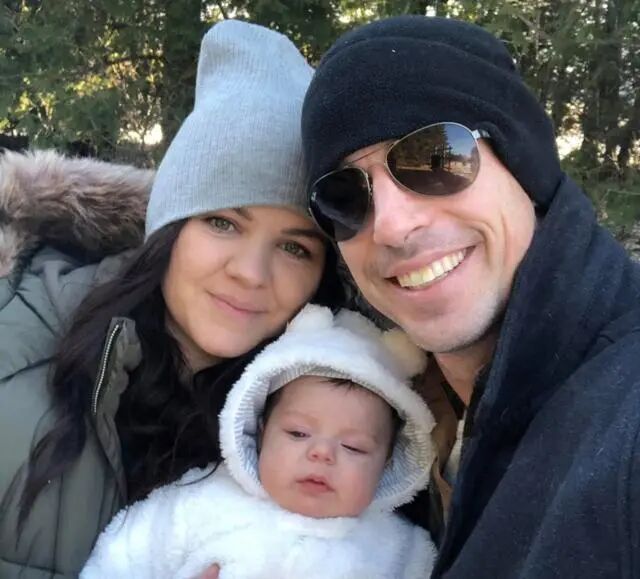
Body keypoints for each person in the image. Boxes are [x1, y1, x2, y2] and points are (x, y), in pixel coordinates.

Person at [0, 20, 344, 577]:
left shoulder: (336, 419)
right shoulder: (12, 336)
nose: (251, 273)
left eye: (294, 247)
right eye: (223, 223)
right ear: (168, 226)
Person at [301, 15, 640, 579]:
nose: (391, 226)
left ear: (524, 162)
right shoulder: (398, 429)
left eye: (434, 156)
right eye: (344, 196)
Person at [80, 304, 437, 578]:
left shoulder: (402, 552)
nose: (322, 453)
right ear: (261, 431)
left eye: (353, 447)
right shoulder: (195, 503)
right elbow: (114, 564)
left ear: (388, 461)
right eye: (298, 433)